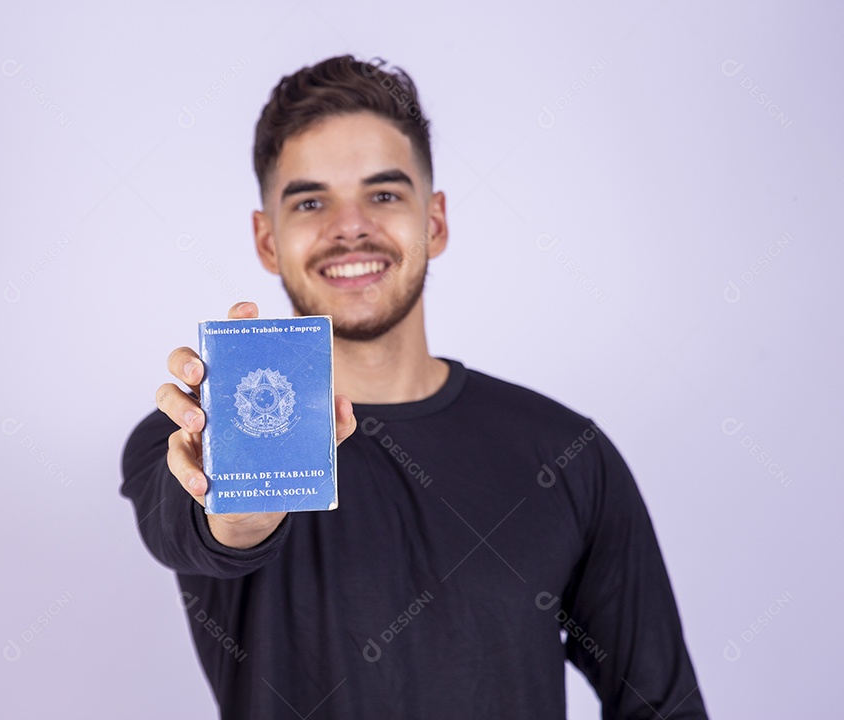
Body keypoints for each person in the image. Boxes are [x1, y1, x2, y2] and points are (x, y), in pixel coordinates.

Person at [121, 55, 708, 719]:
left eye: (384, 194)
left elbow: (661, 705)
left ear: (434, 222)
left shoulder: (567, 453)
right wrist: (235, 498)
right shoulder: (194, 440)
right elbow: (219, 529)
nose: (349, 226)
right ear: (267, 239)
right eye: (310, 201)